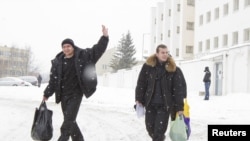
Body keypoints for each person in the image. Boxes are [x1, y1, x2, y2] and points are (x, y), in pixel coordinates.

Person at [42, 25, 109, 141]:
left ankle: (62, 139)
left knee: (68, 121)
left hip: (76, 94)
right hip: (63, 95)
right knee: (70, 120)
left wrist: (104, 37)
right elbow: (54, 80)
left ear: (73, 47)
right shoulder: (58, 62)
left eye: (68, 46)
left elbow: (97, 50)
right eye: (64, 47)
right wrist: (47, 93)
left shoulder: (82, 56)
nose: (66, 49)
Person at [135, 44, 187, 141]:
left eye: (167, 52)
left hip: (165, 106)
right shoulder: (148, 67)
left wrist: (180, 107)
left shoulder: (173, 69)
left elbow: (179, 90)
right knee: (150, 129)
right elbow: (141, 84)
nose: (165, 55)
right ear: (157, 54)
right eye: (162, 52)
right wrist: (139, 99)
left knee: (159, 131)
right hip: (150, 104)